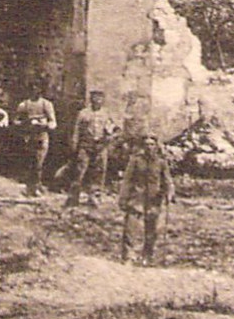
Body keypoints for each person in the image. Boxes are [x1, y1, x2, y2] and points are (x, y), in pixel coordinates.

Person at [118, 134, 174, 265]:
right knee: (130, 228)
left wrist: (169, 193)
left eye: (152, 145)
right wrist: (123, 198)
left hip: (154, 200)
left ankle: (147, 256)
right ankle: (128, 257)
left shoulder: (161, 162)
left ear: (156, 146)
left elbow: (167, 180)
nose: (149, 147)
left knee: (151, 230)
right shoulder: (135, 160)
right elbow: (127, 180)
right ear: (143, 147)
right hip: (136, 198)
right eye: (146, 145)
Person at [65, 90, 120, 207]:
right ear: (91, 99)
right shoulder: (83, 113)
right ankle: (73, 197)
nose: (98, 101)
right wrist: (74, 145)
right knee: (80, 170)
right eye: (95, 98)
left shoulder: (107, 114)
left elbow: (117, 130)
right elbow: (76, 130)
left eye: (100, 98)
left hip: (101, 146)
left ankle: (95, 197)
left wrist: (110, 138)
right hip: (86, 145)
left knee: (99, 172)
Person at [15, 81, 58, 196]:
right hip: (29, 136)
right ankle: (29, 187)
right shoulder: (24, 104)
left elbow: (53, 122)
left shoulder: (46, 104)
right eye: (33, 88)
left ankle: (37, 186)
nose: (36, 91)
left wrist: (44, 125)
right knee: (29, 161)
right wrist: (26, 122)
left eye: (38, 89)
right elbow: (16, 121)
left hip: (42, 135)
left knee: (39, 162)